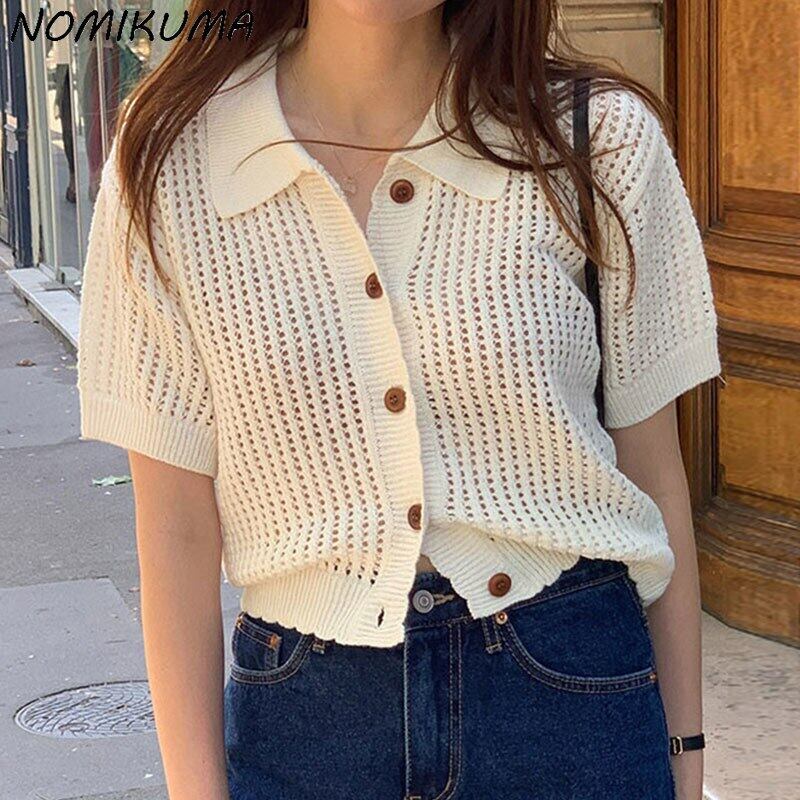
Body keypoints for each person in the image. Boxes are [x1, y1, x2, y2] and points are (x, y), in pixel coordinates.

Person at [76, 2, 720, 798]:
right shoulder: (171, 157)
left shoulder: (594, 138)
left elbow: (655, 479)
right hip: (306, 724)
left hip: (571, 697)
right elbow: (175, 527)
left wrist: (685, 755)